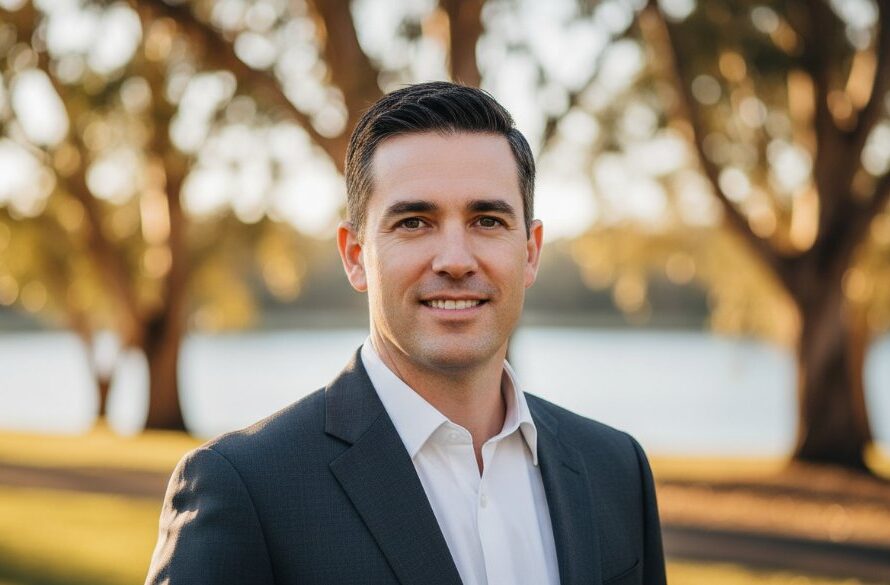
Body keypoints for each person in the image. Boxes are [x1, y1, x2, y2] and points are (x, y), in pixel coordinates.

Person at [145, 81, 666, 585]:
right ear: (356, 256)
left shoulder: (615, 469)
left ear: (529, 251)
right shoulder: (245, 487)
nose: (456, 261)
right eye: (414, 222)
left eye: (487, 220)